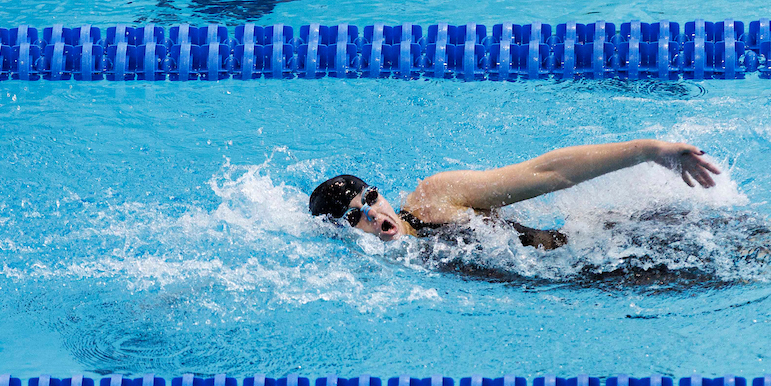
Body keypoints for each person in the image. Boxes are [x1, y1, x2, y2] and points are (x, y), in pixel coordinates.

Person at [308, 139, 720, 249]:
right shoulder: (391, 271)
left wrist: (651, 152)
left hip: (608, 247)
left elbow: (548, 172)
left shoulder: (435, 198)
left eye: (371, 199)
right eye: (353, 217)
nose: (375, 217)